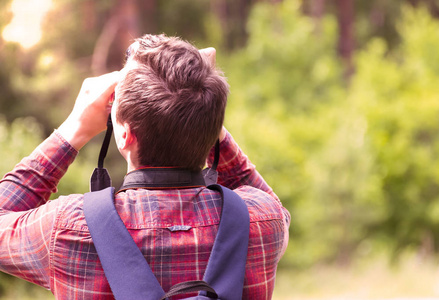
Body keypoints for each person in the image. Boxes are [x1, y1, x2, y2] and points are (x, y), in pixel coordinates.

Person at [0, 34, 290, 299]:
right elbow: (276, 210)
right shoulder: (262, 222)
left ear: (124, 135)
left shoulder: (70, 229)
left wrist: (73, 130)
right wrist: (203, 116)